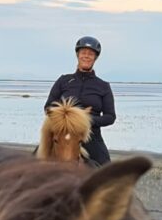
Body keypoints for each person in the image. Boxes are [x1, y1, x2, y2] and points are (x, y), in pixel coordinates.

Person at [44, 36, 116, 166]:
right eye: (83, 53)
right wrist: (66, 118)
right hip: (61, 136)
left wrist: (85, 120)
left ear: (95, 58)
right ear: (78, 55)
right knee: (33, 164)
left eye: (91, 54)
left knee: (107, 172)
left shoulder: (103, 86)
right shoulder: (63, 80)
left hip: (91, 136)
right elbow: (48, 107)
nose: (86, 56)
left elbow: (110, 117)